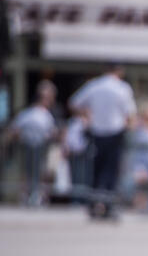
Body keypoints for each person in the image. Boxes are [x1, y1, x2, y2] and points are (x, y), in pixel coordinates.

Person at [68, 63, 137, 219]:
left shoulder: (94, 85)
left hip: (97, 132)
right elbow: (130, 113)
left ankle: (93, 205)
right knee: (111, 172)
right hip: (115, 133)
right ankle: (108, 206)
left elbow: (74, 103)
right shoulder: (122, 88)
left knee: (96, 171)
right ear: (119, 71)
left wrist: (88, 116)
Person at [9, 80, 58, 206]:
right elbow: (15, 129)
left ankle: (37, 196)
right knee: (27, 172)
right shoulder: (30, 113)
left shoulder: (46, 114)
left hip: (41, 148)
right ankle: (27, 196)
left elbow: (51, 132)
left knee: (40, 172)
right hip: (28, 147)